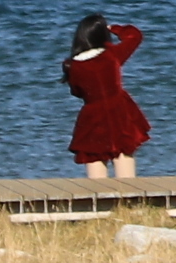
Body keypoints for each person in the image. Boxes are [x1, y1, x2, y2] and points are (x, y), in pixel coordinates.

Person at [62, 14, 146, 181]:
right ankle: (128, 205)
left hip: (92, 117)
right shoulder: (111, 55)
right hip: (120, 113)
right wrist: (115, 29)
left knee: (95, 170)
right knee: (126, 175)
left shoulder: (72, 65)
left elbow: (76, 91)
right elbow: (135, 36)